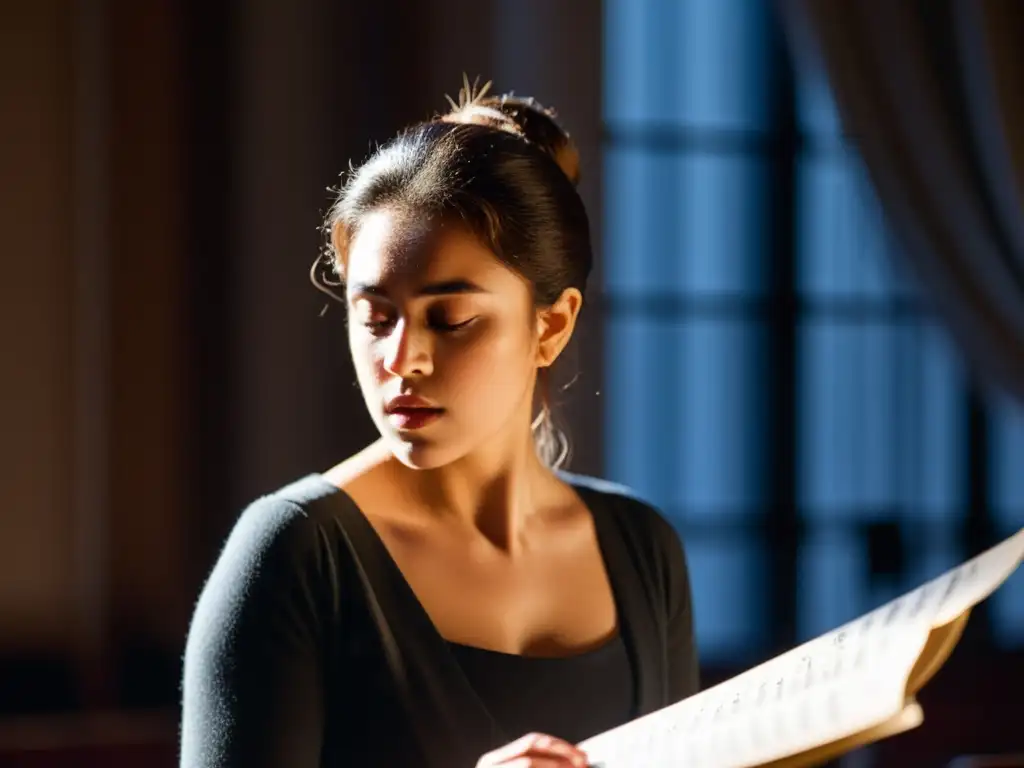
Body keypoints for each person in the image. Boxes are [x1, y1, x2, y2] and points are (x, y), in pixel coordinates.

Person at [179, 80, 699, 768]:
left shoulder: (642, 550)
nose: (401, 359)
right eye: (374, 318)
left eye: (449, 320)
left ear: (552, 325)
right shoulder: (295, 557)